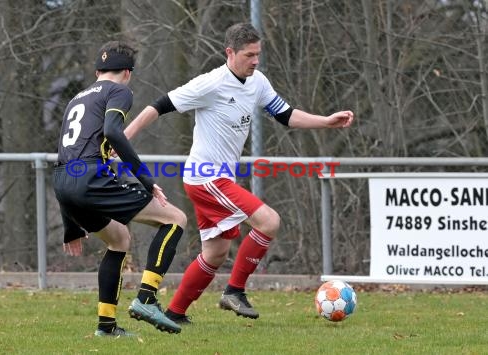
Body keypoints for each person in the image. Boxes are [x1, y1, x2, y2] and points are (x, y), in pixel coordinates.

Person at [122, 23, 355, 324]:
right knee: (269, 221)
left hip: (217, 179)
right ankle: (234, 291)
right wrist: (122, 141)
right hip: (206, 177)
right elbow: (157, 106)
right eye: (249, 55)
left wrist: (326, 121)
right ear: (230, 53)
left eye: (258, 54)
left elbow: (285, 115)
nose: (256, 60)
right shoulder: (210, 83)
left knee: (216, 253)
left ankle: (175, 312)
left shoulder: (257, 82)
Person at [52, 41, 186, 336]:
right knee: (175, 219)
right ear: (128, 72)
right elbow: (114, 131)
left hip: (64, 181)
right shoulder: (120, 90)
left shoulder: (76, 98)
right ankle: (147, 298)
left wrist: (70, 225)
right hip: (89, 178)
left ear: (97, 71)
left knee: (119, 239)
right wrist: (147, 181)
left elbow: (65, 158)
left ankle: (107, 326)